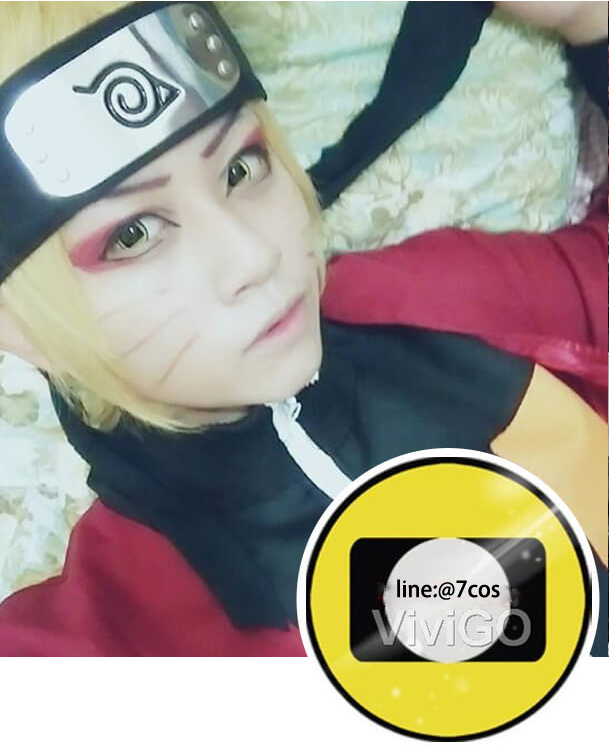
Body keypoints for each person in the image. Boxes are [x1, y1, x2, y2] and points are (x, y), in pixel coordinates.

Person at [0, 1, 606, 656]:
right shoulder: (93, 645)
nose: (254, 256)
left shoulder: (430, 304)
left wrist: (591, 22)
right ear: (17, 325)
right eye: (133, 235)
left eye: (240, 168)